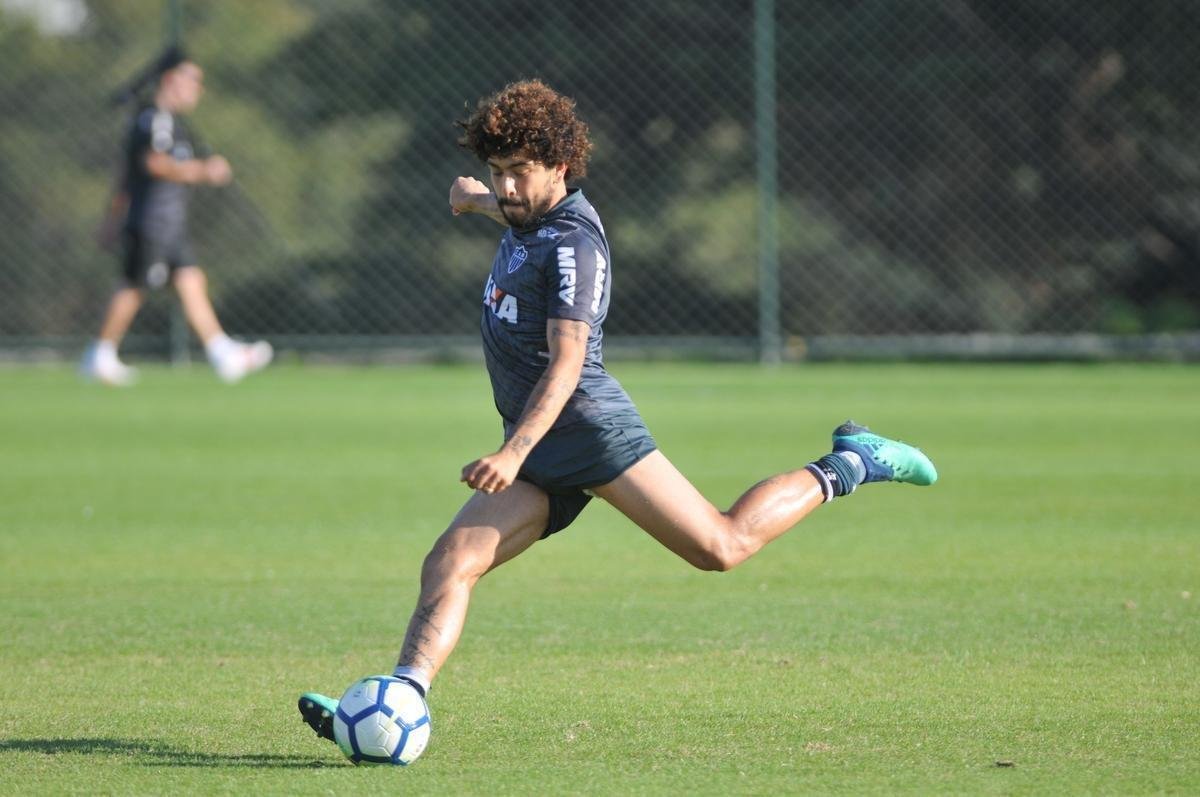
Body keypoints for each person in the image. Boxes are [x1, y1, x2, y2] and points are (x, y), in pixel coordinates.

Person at [298, 79, 937, 741]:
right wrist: (477, 199)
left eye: (519, 173)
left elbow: (567, 361)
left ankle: (852, 461)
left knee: (722, 545)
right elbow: (517, 212)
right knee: (451, 560)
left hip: (587, 430)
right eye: (498, 171)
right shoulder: (526, 212)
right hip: (540, 445)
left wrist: (515, 451)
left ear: (561, 168)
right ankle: (400, 700)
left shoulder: (576, 245)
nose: (508, 187)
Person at [81, 46, 272, 386]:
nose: (198, 89)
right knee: (133, 287)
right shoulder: (154, 119)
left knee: (190, 281)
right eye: (193, 80)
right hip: (151, 221)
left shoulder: (171, 123)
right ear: (172, 80)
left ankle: (221, 352)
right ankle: (100, 354)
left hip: (170, 224)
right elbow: (152, 164)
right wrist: (203, 171)